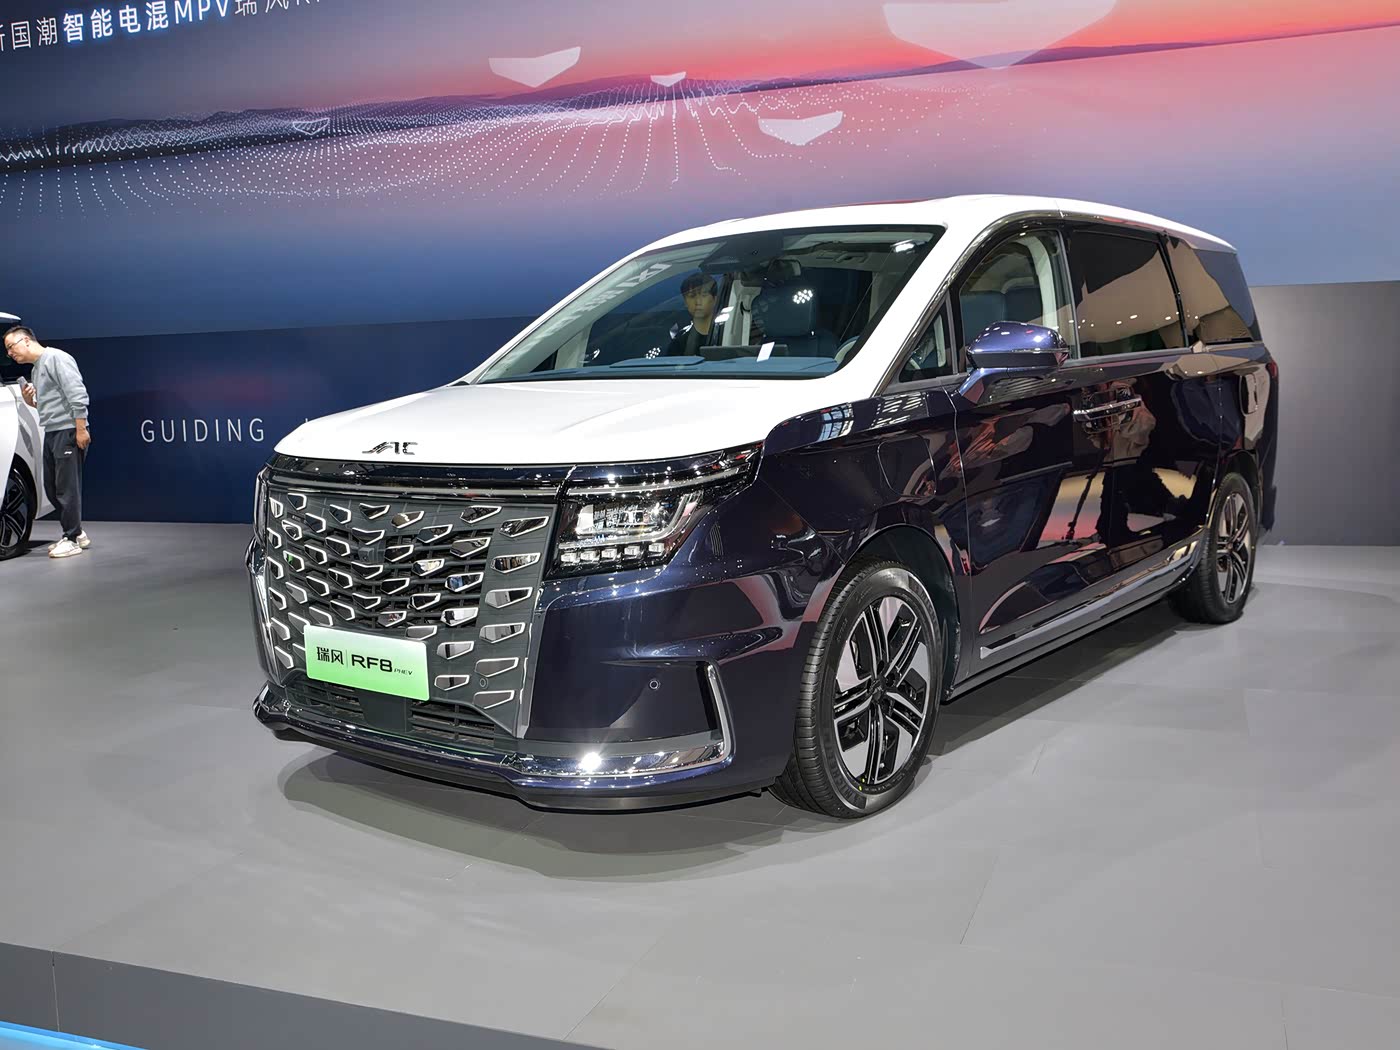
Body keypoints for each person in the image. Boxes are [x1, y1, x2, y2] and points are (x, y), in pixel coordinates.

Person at [3, 326, 92, 558]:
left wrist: (80, 428)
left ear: (26, 340)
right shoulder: (36, 370)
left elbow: (77, 393)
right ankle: (77, 532)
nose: (10, 354)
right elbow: (48, 405)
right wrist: (30, 401)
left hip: (67, 430)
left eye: (11, 347)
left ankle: (71, 539)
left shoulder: (56, 358)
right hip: (52, 431)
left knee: (67, 489)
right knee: (52, 489)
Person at [665, 271, 721, 356]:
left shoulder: (728, 334)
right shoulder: (679, 342)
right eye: (692, 296)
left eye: (703, 295)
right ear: (685, 302)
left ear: (715, 299)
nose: (698, 301)